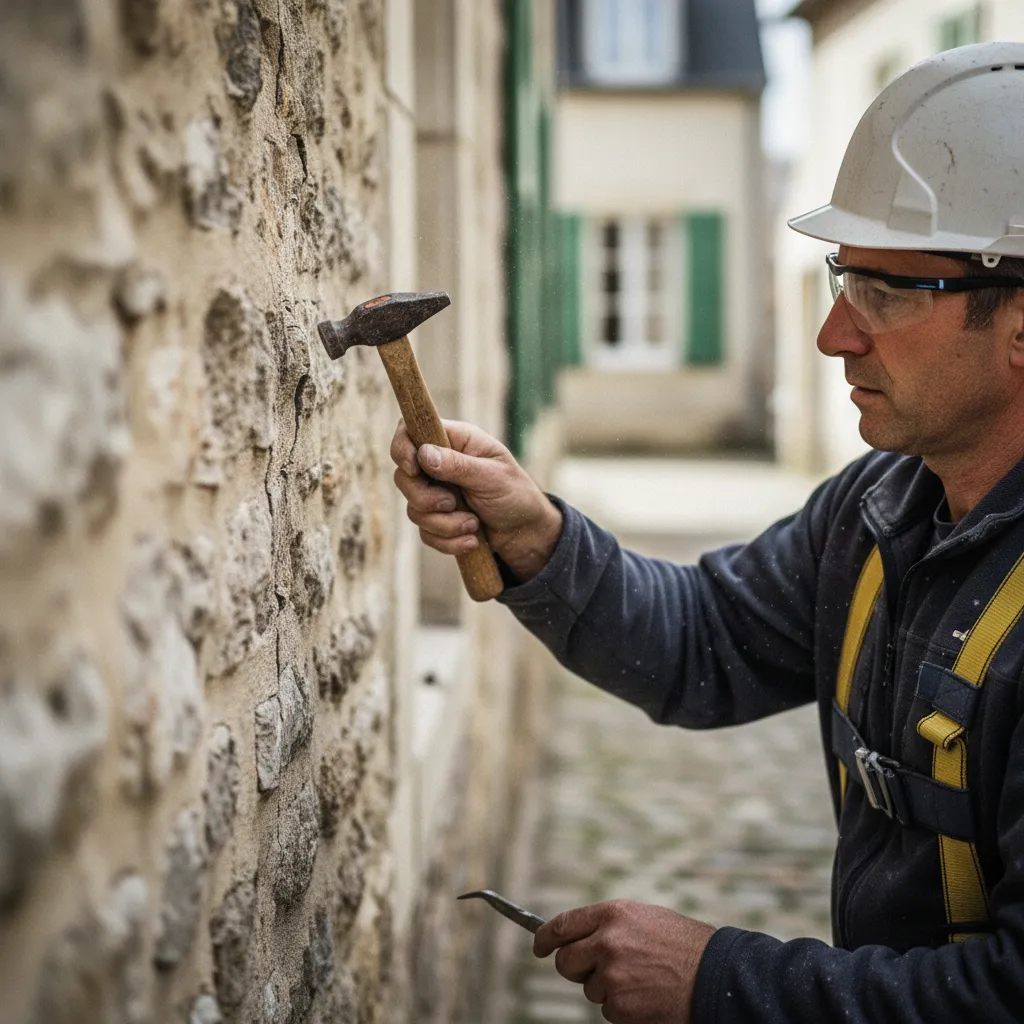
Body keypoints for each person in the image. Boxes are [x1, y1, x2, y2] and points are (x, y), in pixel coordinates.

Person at [392, 43, 1024, 1023]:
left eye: (887, 293)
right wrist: (535, 535)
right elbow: (704, 640)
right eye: (841, 279)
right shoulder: (880, 505)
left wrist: (718, 981)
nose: (833, 336)